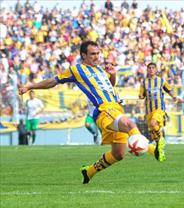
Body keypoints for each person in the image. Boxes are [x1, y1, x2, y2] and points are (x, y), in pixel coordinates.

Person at [19, 41, 166, 184]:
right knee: (130, 124)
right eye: (93, 54)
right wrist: (30, 86)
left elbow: (110, 85)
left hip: (115, 108)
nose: (97, 57)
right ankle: (154, 148)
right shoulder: (76, 70)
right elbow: (53, 81)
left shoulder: (101, 70)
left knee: (118, 154)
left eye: (98, 53)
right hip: (104, 110)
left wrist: (113, 75)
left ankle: (89, 172)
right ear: (83, 55)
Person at [139, 62, 177, 161]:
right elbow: (142, 95)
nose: (151, 69)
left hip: (159, 109)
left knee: (153, 123)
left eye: (153, 68)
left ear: (156, 70)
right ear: (147, 70)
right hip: (149, 111)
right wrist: (141, 96)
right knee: (152, 131)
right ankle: (161, 148)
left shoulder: (161, 81)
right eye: (149, 68)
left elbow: (169, 89)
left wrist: (174, 97)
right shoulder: (144, 82)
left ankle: (161, 140)